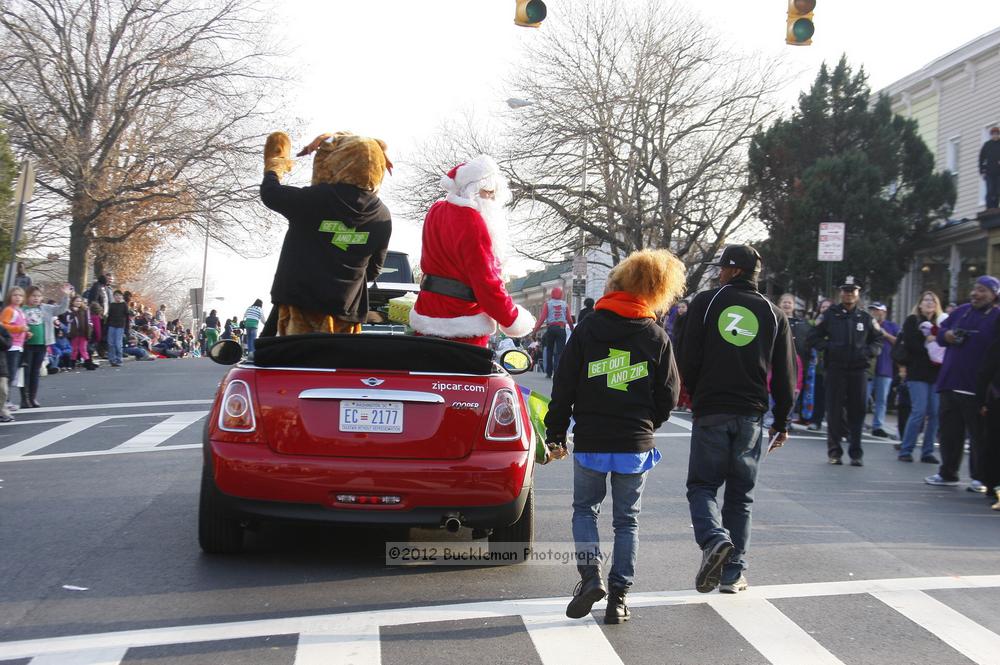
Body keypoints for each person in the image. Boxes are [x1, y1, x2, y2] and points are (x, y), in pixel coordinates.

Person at [545, 249, 684, 624]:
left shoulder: (589, 329)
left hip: (591, 439)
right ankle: (619, 597)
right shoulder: (655, 335)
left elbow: (565, 383)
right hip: (633, 444)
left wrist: (555, 430)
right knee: (627, 521)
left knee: (585, 510)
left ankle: (591, 578)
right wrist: (647, 423)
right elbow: (669, 393)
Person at [678, 244, 795, 595]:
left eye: (721, 269)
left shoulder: (707, 302)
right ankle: (733, 573)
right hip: (751, 413)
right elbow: (786, 373)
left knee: (702, 486)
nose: (717, 273)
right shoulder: (774, 313)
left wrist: (697, 394)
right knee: (741, 496)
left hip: (712, 407)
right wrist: (783, 419)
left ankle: (714, 539)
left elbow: (686, 354)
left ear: (732, 271)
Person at [260, 131, 393, 336]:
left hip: (301, 308)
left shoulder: (316, 199)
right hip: (346, 315)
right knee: (338, 367)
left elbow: (270, 194)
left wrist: (276, 163)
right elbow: (373, 270)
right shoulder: (382, 214)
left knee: (293, 364)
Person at [409, 155, 534, 346]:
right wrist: (512, 318)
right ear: (472, 191)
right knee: (465, 376)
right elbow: (487, 283)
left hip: (426, 313)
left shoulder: (435, 211)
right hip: (463, 322)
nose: (492, 198)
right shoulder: (473, 222)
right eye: (489, 192)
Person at [925, 276, 1000, 491]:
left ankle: (981, 477)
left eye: (983, 290)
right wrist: (947, 335)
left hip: (977, 387)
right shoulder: (962, 311)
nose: (976, 294)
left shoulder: (997, 317)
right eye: (975, 289)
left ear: (994, 294)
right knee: (949, 433)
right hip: (950, 382)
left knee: (979, 436)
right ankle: (947, 473)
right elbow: (939, 333)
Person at [808, 277, 883, 466]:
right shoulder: (830, 315)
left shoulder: (865, 317)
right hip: (835, 369)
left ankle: (856, 453)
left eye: (853, 291)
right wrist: (829, 347)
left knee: (857, 412)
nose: (849, 294)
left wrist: (868, 352)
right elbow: (813, 336)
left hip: (858, 371)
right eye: (845, 290)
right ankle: (835, 452)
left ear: (857, 294)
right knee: (833, 411)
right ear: (840, 293)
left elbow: (878, 340)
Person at [896, 292, 947, 463]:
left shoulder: (941, 323)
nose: (930, 303)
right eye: (926, 300)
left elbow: (945, 345)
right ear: (919, 304)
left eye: (933, 300)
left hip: (935, 373)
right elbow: (911, 345)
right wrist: (929, 340)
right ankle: (906, 449)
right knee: (919, 410)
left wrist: (935, 340)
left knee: (935, 413)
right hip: (917, 372)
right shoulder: (912, 321)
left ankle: (927, 451)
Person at [20, 284, 71, 407]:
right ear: (27, 297)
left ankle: (33, 397)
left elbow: (61, 309)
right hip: (27, 345)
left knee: (35, 371)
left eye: (38, 296)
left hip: (41, 344)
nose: (36, 298)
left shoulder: (46, 308)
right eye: (33, 296)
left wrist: (66, 296)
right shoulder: (22, 309)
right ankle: (24, 398)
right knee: (26, 372)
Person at [866, 302, 899, 438]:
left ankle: (877, 426)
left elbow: (900, 342)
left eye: (877, 310)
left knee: (882, 400)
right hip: (867, 368)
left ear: (884, 312)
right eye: (872, 310)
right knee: (863, 397)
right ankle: (857, 422)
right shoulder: (867, 324)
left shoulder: (892, 326)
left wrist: (885, 335)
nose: (874, 312)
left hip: (885, 368)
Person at [531, 286, 573, 378]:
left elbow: (541, 319)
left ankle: (549, 372)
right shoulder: (565, 305)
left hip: (551, 328)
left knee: (549, 350)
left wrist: (534, 331)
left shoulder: (547, 304)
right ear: (561, 295)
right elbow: (569, 319)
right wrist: (572, 329)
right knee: (560, 352)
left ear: (552, 294)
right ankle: (558, 371)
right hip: (561, 329)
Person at [1, 287, 28, 412]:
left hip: (19, 345)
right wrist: (19, 329)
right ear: (9, 297)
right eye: (15, 295)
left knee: (13, 374)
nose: (18, 297)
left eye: (20, 295)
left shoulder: (20, 311)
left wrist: (26, 333)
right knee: (9, 374)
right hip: (11, 345)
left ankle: (7, 399)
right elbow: (3, 325)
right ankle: (5, 400)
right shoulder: (9, 310)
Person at [106, 290, 128, 367]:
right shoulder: (112, 305)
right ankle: (112, 360)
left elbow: (127, 317)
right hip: (111, 325)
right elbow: (109, 316)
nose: (118, 297)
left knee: (118, 344)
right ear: (114, 296)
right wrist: (107, 326)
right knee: (111, 343)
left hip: (120, 326)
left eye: (119, 295)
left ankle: (119, 359)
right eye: (116, 295)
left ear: (122, 296)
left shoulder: (124, 304)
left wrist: (126, 329)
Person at [980, 126, 1000, 209]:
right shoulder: (987, 145)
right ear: (991, 135)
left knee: (997, 191)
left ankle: (995, 207)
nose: (995, 136)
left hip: (998, 172)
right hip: (989, 172)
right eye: (993, 134)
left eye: (996, 134)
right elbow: (981, 158)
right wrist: (982, 170)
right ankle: (989, 208)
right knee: (990, 190)